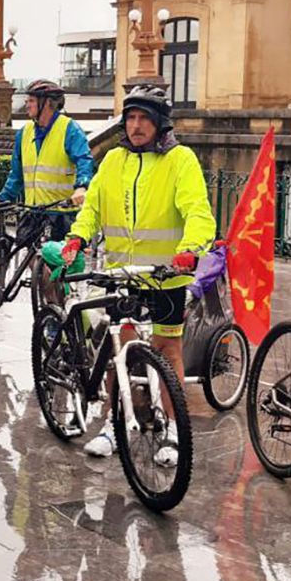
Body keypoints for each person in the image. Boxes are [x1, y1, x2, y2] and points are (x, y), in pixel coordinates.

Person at [59, 85, 214, 467]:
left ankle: (174, 430)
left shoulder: (180, 160)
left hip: (165, 276)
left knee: (168, 351)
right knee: (121, 352)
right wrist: (78, 236)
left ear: (160, 123)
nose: (136, 125)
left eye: (144, 118)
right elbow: (92, 208)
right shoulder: (114, 160)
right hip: (123, 276)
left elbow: (198, 211)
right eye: (130, 118)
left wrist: (190, 249)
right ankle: (115, 426)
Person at [0, 79, 96, 305]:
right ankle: (52, 307)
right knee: (34, 264)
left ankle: (56, 309)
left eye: (30, 100)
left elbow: (84, 160)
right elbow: (17, 174)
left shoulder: (69, 129)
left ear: (47, 103)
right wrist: (3, 198)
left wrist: (82, 186)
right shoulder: (24, 132)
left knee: (58, 270)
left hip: (61, 214)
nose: (27, 105)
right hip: (34, 213)